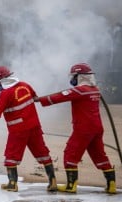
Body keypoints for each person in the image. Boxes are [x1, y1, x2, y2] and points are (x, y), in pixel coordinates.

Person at [35, 63, 116, 194]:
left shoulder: (79, 91)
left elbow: (60, 96)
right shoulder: (95, 89)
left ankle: (71, 186)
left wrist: (39, 100)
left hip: (83, 129)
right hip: (97, 128)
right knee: (99, 155)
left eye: (74, 76)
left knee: (70, 154)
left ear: (80, 76)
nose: (72, 79)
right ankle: (111, 185)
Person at [0, 66, 57, 192]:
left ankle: (12, 184)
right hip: (35, 127)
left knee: (11, 156)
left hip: (18, 130)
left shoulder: (5, 94)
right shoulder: (25, 85)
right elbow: (34, 97)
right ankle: (53, 182)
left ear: (1, 80)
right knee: (42, 153)